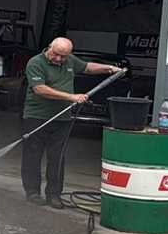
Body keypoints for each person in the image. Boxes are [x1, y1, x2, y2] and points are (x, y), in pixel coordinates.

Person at [20, 37, 122, 207]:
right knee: (33, 155)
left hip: (63, 118)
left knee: (57, 157)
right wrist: (71, 97)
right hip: (36, 117)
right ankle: (32, 192)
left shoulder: (69, 61)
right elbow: (40, 89)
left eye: (64, 56)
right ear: (49, 48)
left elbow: (87, 67)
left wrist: (109, 68)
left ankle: (54, 194)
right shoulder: (35, 63)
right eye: (56, 55)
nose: (59, 59)